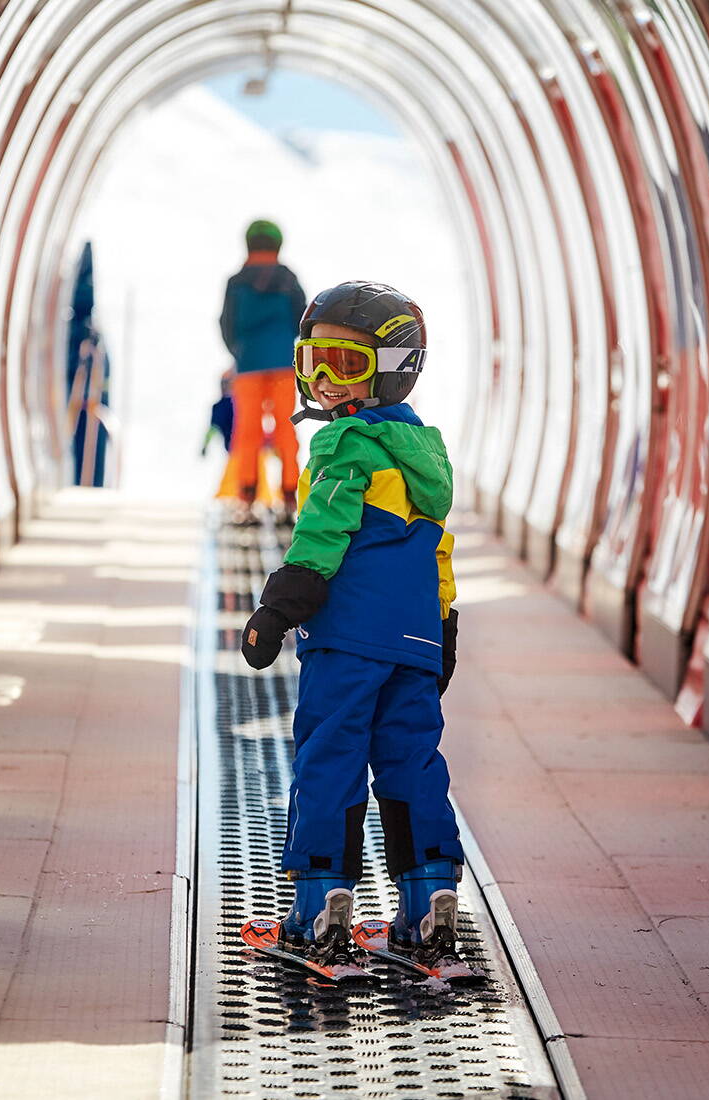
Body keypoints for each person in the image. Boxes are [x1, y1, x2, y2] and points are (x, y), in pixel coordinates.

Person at [240, 281, 471, 979]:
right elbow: (439, 553)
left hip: (347, 643)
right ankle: (427, 900)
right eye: (314, 362)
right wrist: (444, 628)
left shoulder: (345, 444)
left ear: (389, 370)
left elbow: (324, 530)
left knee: (330, 759)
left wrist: (279, 607)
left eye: (342, 364)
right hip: (415, 644)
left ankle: (318, 906)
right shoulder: (425, 455)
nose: (321, 381)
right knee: (414, 764)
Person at [220, 219, 307, 519]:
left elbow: (227, 325)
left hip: (248, 367)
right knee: (286, 428)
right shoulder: (288, 279)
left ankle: (246, 497)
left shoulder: (236, 281)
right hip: (283, 364)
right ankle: (289, 496)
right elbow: (303, 318)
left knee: (247, 433)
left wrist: (241, 353)